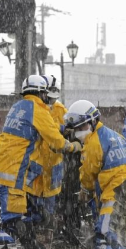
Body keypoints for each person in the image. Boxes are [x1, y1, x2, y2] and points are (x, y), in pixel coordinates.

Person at [0, 75, 66, 242]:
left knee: (19, 215)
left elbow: (42, 125)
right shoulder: (38, 108)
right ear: (42, 94)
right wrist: (72, 146)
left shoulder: (18, 106)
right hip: (14, 171)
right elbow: (56, 140)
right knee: (13, 219)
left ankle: (17, 244)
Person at [65, 100, 126, 249]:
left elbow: (88, 173)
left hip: (114, 193)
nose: (79, 132)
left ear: (93, 121)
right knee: (119, 232)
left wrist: (85, 190)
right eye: (76, 128)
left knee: (105, 232)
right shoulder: (114, 135)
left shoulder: (93, 143)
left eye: (82, 127)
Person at [23, 75, 80, 228]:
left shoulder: (61, 110)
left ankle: (45, 232)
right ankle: (32, 229)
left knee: (50, 202)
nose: (52, 102)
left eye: (54, 99)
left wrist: (67, 134)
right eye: (50, 98)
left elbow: (69, 129)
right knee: (32, 200)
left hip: (54, 163)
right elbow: (49, 132)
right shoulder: (35, 109)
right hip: (37, 162)